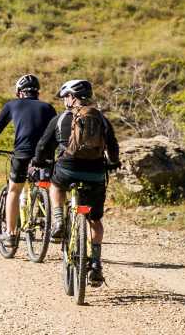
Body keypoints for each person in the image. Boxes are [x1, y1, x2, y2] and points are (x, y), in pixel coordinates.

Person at [34, 79, 121, 287]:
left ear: (72, 97)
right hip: (96, 172)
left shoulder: (61, 118)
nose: (64, 100)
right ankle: (96, 264)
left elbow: (44, 144)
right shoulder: (100, 117)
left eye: (65, 96)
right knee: (95, 220)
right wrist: (113, 163)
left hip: (68, 168)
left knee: (55, 185)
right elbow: (113, 145)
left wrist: (38, 160)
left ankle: (58, 221)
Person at [0, 74, 58, 246]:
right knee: (46, 184)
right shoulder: (48, 107)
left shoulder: (12, 105)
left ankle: (10, 233)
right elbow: (55, 133)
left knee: (14, 190)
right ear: (37, 92)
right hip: (44, 156)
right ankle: (52, 222)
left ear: (19, 92)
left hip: (21, 154)